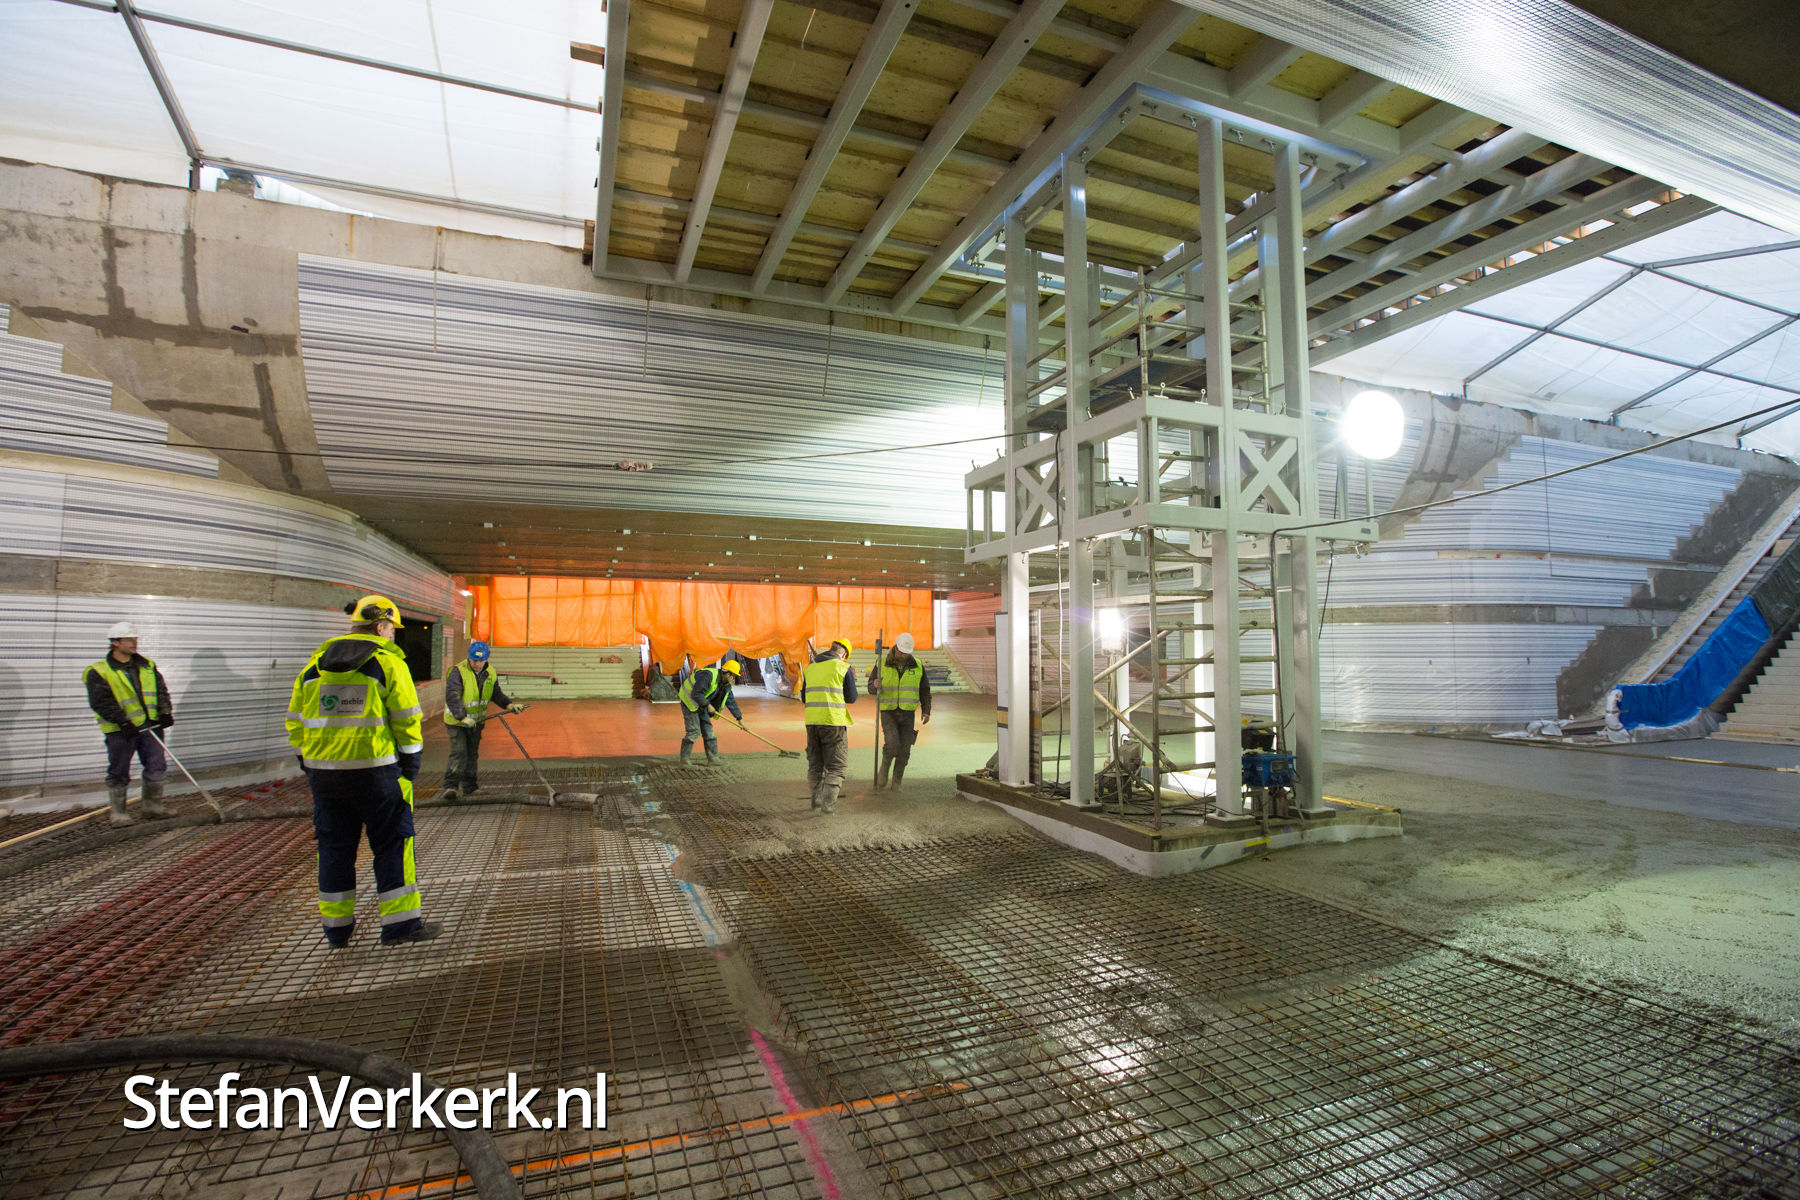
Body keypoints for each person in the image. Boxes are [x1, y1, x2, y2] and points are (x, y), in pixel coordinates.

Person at [287, 594, 436, 947]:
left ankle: (336, 931)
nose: (392, 636)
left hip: (325, 777)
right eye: (391, 629)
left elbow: (295, 723)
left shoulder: (313, 667)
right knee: (392, 845)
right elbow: (407, 720)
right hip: (378, 774)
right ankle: (400, 927)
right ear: (381, 626)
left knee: (335, 849)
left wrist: (309, 763)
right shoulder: (386, 664)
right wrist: (410, 763)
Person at [83, 620, 175, 825]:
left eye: (135, 638)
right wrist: (123, 722)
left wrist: (165, 712)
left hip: (151, 726)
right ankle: (118, 813)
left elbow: (160, 691)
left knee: (156, 766)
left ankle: (152, 806)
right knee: (119, 769)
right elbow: (101, 702)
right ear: (115, 642)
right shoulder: (99, 671)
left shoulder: (147, 665)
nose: (134, 642)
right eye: (129, 639)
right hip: (120, 731)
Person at [441, 640, 524, 801]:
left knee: (472, 754)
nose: (476, 664)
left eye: (480, 661)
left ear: (486, 659)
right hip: (457, 722)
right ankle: (450, 786)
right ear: (468, 658)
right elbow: (453, 697)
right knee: (459, 753)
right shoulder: (457, 672)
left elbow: (496, 693)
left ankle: (470, 788)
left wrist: (509, 705)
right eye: (473, 660)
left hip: (476, 722)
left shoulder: (490, 673)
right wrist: (462, 717)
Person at [799, 638, 857, 812]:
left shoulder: (810, 669)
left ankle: (816, 798)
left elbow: (804, 698)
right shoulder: (843, 668)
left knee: (816, 764)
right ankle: (827, 806)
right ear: (844, 654)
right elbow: (852, 698)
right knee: (837, 766)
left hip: (812, 722)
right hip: (833, 722)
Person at [870, 632, 932, 792]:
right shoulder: (882, 662)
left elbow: (924, 690)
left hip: (907, 713)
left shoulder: (917, 665)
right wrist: (874, 685)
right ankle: (884, 770)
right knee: (892, 744)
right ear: (895, 648)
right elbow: (871, 686)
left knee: (904, 750)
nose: (903, 656)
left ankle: (897, 781)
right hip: (888, 711)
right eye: (901, 652)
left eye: (906, 653)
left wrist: (926, 710)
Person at [679, 658, 744, 767]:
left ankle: (713, 758)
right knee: (694, 731)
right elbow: (696, 693)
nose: (734, 678)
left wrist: (739, 719)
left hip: (702, 702)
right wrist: (708, 705)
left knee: (708, 731)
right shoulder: (708, 676)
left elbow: (731, 701)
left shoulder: (725, 685)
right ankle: (684, 760)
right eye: (733, 675)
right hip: (689, 700)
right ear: (727, 673)